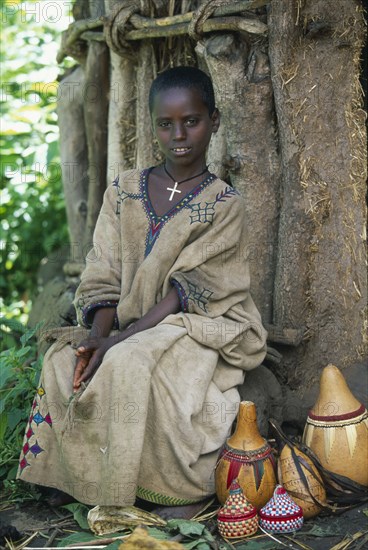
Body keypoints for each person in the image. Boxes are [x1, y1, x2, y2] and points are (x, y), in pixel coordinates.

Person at [17, 66, 267, 516]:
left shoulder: (224, 203)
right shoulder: (124, 191)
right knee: (63, 359)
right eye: (166, 123)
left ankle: (157, 487)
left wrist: (118, 343)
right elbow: (104, 273)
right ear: (152, 124)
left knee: (131, 361)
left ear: (214, 119)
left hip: (196, 324)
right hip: (129, 323)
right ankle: (76, 476)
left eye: (191, 121)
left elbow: (189, 290)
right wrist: (98, 335)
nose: (179, 135)